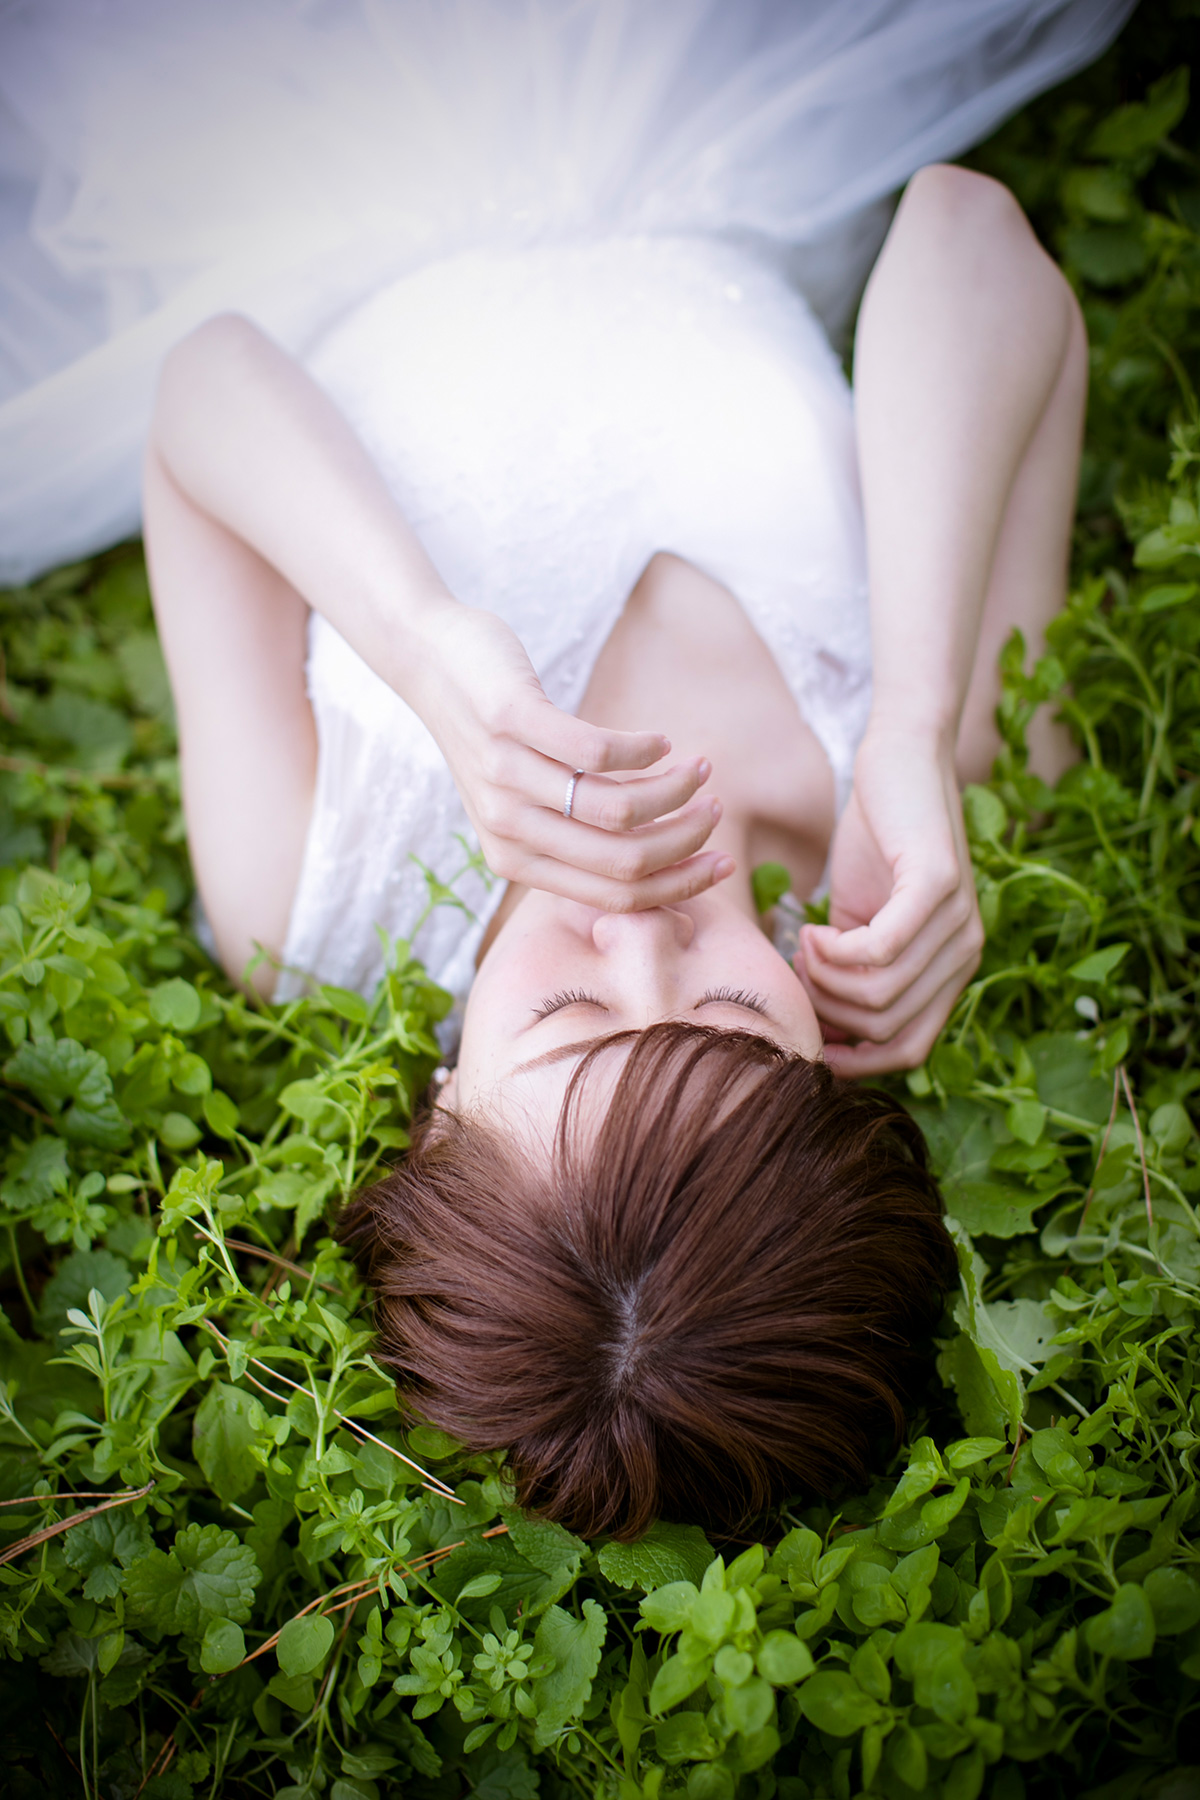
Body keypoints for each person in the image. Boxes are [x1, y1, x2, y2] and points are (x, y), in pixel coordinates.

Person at [0, 1, 1128, 1535]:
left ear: (444, 1103)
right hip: (702, 123)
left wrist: (422, 641)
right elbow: (965, 235)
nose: (651, 926)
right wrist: (920, 721)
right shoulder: (932, 819)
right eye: (737, 1006)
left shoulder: (310, 888)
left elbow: (203, 387)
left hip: (321, 170)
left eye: (569, 1008)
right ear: (833, 1066)